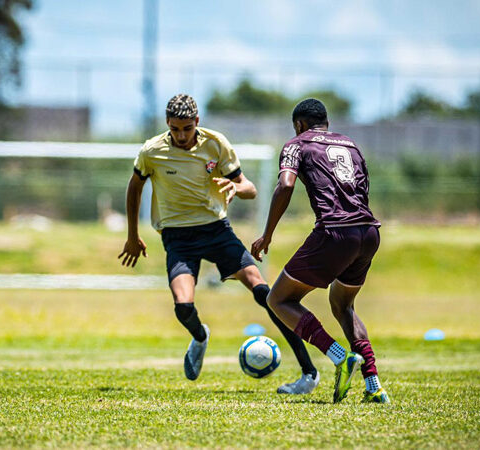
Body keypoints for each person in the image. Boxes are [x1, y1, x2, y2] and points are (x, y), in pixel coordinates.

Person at [118, 93, 319, 394]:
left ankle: (308, 372)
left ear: (197, 122)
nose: (181, 135)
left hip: (216, 231)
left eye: (187, 128)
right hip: (178, 237)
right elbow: (134, 188)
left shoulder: (216, 144)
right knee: (183, 307)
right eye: (175, 129)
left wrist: (237, 187)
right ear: (167, 125)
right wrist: (133, 236)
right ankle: (200, 337)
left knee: (266, 294)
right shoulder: (152, 151)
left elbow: (249, 187)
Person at [251, 98, 390, 404]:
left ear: (299, 124)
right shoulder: (351, 145)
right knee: (343, 305)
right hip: (368, 232)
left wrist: (267, 235)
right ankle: (373, 384)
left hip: (334, 232)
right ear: (326, 122)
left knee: (278, 299)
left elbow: (285, 185)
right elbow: (362, 187)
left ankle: (339, 355)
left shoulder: (297, 143)